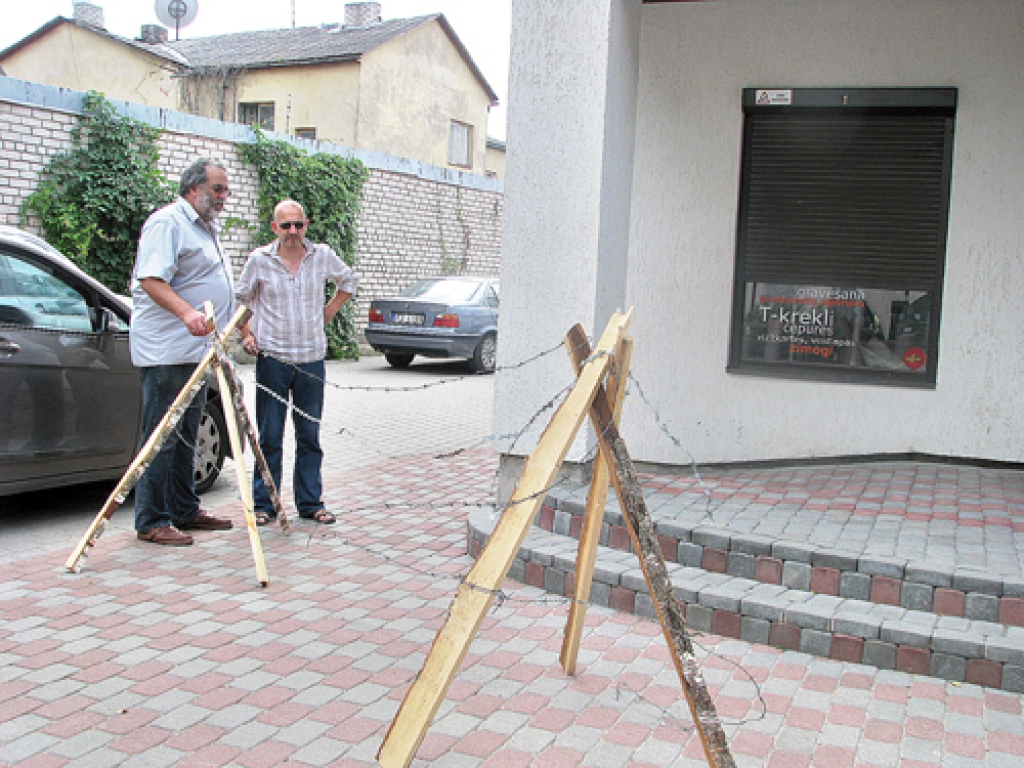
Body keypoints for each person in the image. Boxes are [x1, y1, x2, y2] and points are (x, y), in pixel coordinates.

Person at [129, 158, 236, 546]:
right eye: (218, 189)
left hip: (196, 351)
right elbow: (151, 280)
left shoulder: (205, 227)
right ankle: (152, 520)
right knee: (163, 436)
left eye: (226, 189)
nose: (224, 197)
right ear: (194, 188)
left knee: (189, 433)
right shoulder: (167, 223)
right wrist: (187, 312)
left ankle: (184, 509)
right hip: (166, 351)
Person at [236, 200, 357, 526]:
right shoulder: (259, 260)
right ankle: (265, 504)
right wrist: (247, 334)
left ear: (306, 225)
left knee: (309, 436)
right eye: (286, 225)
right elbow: (241, 300)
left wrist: (329, 311)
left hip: (311, 360)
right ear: (274, 228)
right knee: (270, 437)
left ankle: (310, 502)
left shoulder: (322, 256)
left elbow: (349, 282)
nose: (293, 232)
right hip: (273, 359)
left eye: (298, 225)